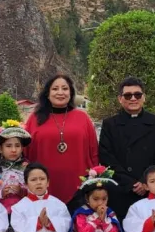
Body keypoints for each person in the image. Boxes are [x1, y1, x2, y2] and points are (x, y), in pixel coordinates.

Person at [98, 77, 155, 232]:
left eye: (137, 94)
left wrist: (146, 182)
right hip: (122, 192)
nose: (133, 98)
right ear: (120, 99)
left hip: (149, 191)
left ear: (143, 97)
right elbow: (106, 158)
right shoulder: (110, 124)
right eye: (127, 95)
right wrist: (130, 183)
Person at [25, 74, 99, 204]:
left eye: (65, 88)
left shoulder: (83, 118)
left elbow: (93, 151)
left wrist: (95, 179)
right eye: (55, 89)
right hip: (42, 186)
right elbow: (26, 152)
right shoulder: (34, 119)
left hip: (79, 185)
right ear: (47, 94)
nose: (60, 92)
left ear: (71, 93)